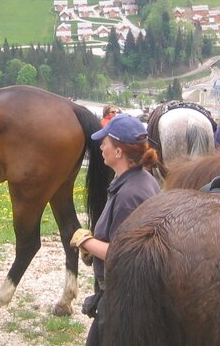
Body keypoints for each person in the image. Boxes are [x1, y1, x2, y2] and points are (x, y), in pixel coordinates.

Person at [70, 114, 161, 346]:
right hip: (127, 297)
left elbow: (121, 253)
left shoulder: (130, 195)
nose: (100, 146)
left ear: (118, 152)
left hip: (124, 300)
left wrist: (85, 241)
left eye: (105, 142)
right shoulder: (142, 180)